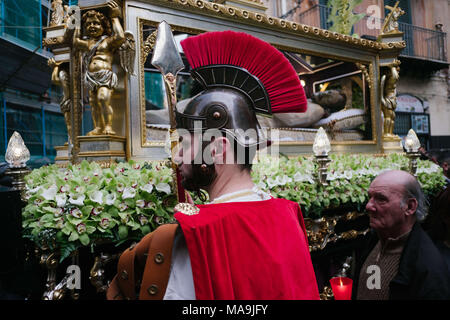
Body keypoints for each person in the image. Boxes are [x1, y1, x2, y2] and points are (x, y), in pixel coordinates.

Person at [107, 30, 320, 300]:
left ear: (218, 150)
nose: (177, 157)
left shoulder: (199, 234)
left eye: (184, 145)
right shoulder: (287, 213)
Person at [354, 170, 450, 300]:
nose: (368, 206)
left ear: (410, 207)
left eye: (381, 199)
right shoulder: (375, 238)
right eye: (369, 197)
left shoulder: (429, 267)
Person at [73, 1, 125, 136]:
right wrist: (77, 22)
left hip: (105, 75)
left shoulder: (107, 41)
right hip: (91, 77)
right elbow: (75, 42)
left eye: (96, 23)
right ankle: (98, 128)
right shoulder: (88, 43)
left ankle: (108, 126)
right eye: (88, 24)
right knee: (93, 103)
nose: (92, 26)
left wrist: (114, 17)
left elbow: (120, 37)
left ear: (103, 26)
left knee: (103, 98)